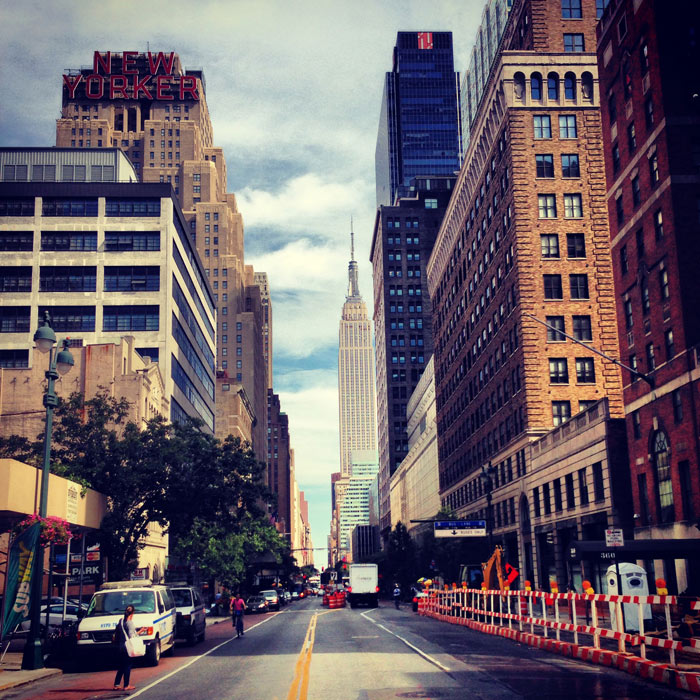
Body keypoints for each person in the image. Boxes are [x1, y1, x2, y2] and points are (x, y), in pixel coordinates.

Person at [113, 605, 137, 691]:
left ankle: (116, 684)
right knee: (127, 665)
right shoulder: (130, 623)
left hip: (120, 646)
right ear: (132, 613)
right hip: (127, 646)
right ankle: (126, 685)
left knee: (121, 665)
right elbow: (131, 635)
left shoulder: (121, 621)